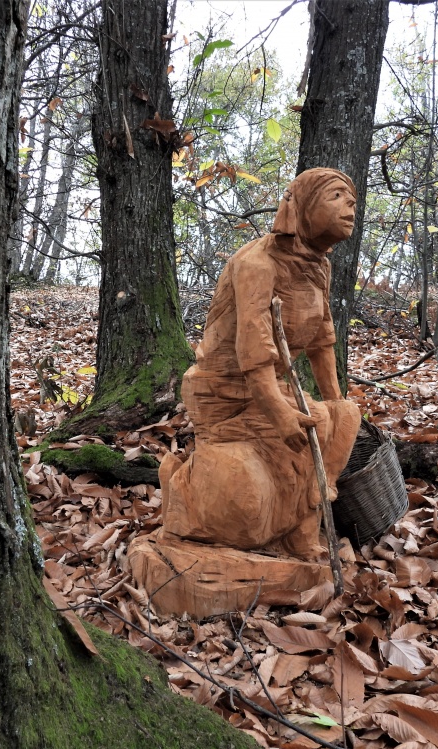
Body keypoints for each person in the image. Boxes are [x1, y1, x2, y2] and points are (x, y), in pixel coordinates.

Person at [158, 168, 361, 561]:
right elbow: (254, 353)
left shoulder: (319, 265)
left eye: (351, 198)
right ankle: (181, 489)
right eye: (336, 196)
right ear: (300, 206)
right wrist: (282, 414)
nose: (350, 204)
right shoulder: (258, 263)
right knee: (254, 496)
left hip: (270, 388)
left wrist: (336, 407)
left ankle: (306, 521)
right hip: (222, 391)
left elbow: (322, 341)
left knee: (340, 415)